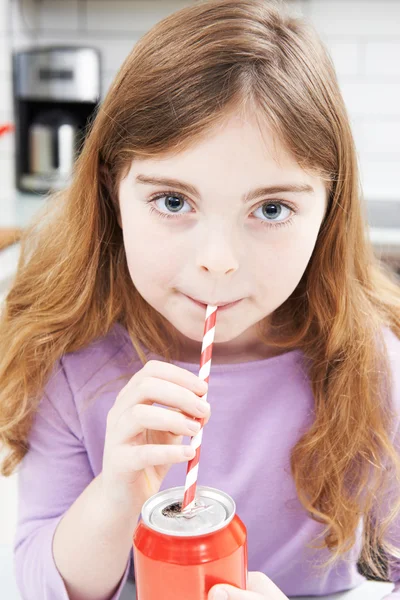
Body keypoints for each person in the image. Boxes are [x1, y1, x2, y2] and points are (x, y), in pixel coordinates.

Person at [0, 0, 399, 598]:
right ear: (113, 191)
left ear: (327, 211)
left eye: (271, 209)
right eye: (173, 201)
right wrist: (116, 494)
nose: (219, 258)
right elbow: (36, 583)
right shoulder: (71, 355)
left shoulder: (365, 360)